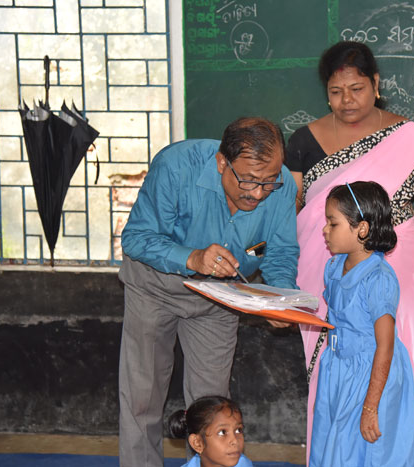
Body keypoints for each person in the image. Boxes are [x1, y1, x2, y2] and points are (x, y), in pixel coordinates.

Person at [285, 41, 414, 453]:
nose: (346, 100)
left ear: (376, 84)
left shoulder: (412, 139)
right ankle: (334, 453)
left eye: (357, 89)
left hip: (400, 270)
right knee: (333, 367)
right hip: (325, 269)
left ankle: (387, 451)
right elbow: (291, 209)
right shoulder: (304, 141)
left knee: (389, 359)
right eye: (335, 91)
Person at [118, 117, 299, 467]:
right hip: (155, 287)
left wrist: (281, 301)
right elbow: (136, 238)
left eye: (268, 182)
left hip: (219, 297)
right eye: (247, 180)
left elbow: (279, 253)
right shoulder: (176, 166)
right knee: (143, 397)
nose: (258, 193)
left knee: (214, 410)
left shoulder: (283, 188)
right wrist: (193, 257)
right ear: (222, 162)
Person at [310, 182, 414, 467]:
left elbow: (384, 345)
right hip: (337, 368)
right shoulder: (334, 267)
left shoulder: (378, 278)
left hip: (370, 372)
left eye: (332, 223)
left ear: (361, 229)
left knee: (362, 451)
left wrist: (371, 406)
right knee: (333, 443)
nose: (325, 230)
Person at [167, 396, 253, 467]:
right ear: (197, 443)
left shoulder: (244, 464)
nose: (235, 440)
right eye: (222, 432)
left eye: (239, 430)